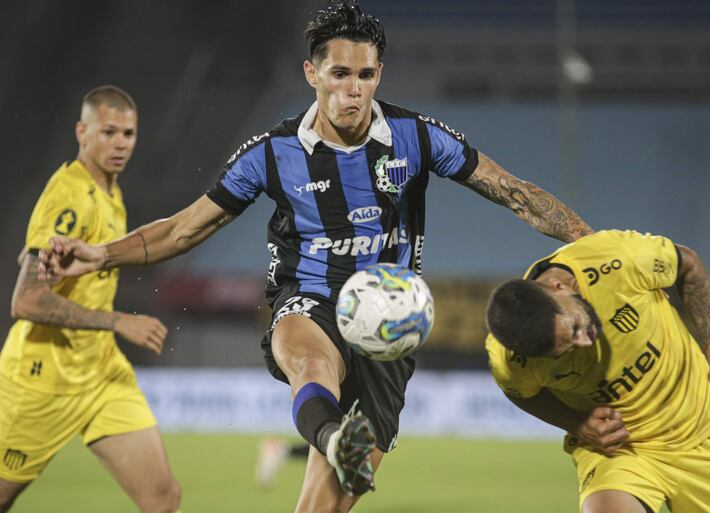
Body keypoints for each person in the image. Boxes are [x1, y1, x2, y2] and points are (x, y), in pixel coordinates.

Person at [38, 3, 592, 511]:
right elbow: (183, 230)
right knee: (310, 362)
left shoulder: (415, 137)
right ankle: (331, 436)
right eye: (340, 74)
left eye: (366, 75)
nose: (354, 90)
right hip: (309, 298)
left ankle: (333, 441)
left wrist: (596, 247)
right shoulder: (271, 155)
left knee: (319, 509)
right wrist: (98, 255)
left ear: (379, 75)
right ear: (312, 74)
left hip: (390, 326)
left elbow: (513, 192)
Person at [0, 86, 181, 513]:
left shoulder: (109, 193)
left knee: (163, 498)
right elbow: (25, 301)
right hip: (42, 381)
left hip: (101, 374)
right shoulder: (71, 194)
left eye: (128, 134)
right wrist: (118, 322)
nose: (120, 144)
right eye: (108, 132)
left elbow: (43, 255)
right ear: (82, 131)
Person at [485, 229, 710, 513]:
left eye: (576, 326)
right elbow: (521, 392)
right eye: (565, 350)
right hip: (619, 450)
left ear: (559, 287)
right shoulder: (510, 360)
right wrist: (577, 423)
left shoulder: (615, 260)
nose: (585, 341)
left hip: (702, 431)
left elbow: (688, 263)